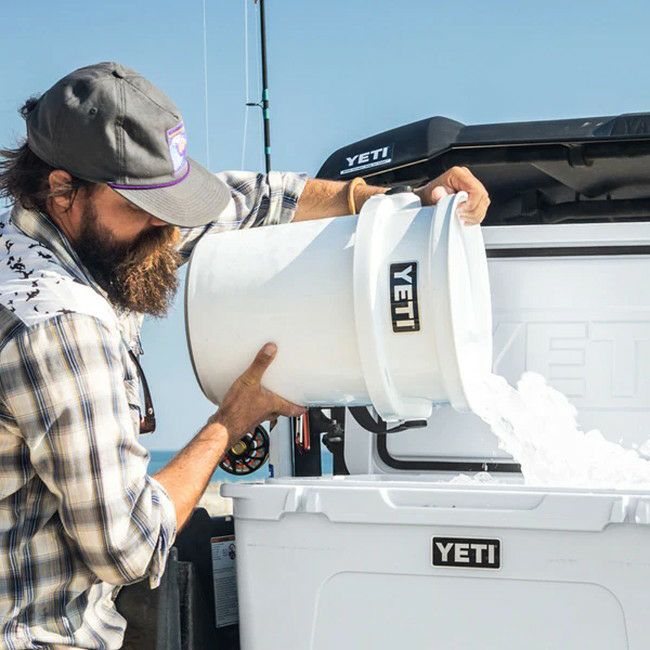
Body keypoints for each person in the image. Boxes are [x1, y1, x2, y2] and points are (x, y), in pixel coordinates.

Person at [0, 61, 490, 650]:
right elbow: (127, 546)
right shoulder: (60, 325)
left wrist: (400, 202)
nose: (167, 226)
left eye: (172, 201)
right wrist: (230, 422)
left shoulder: (58, 237)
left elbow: (256, 201)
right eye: (143, 206)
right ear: (61, 190)